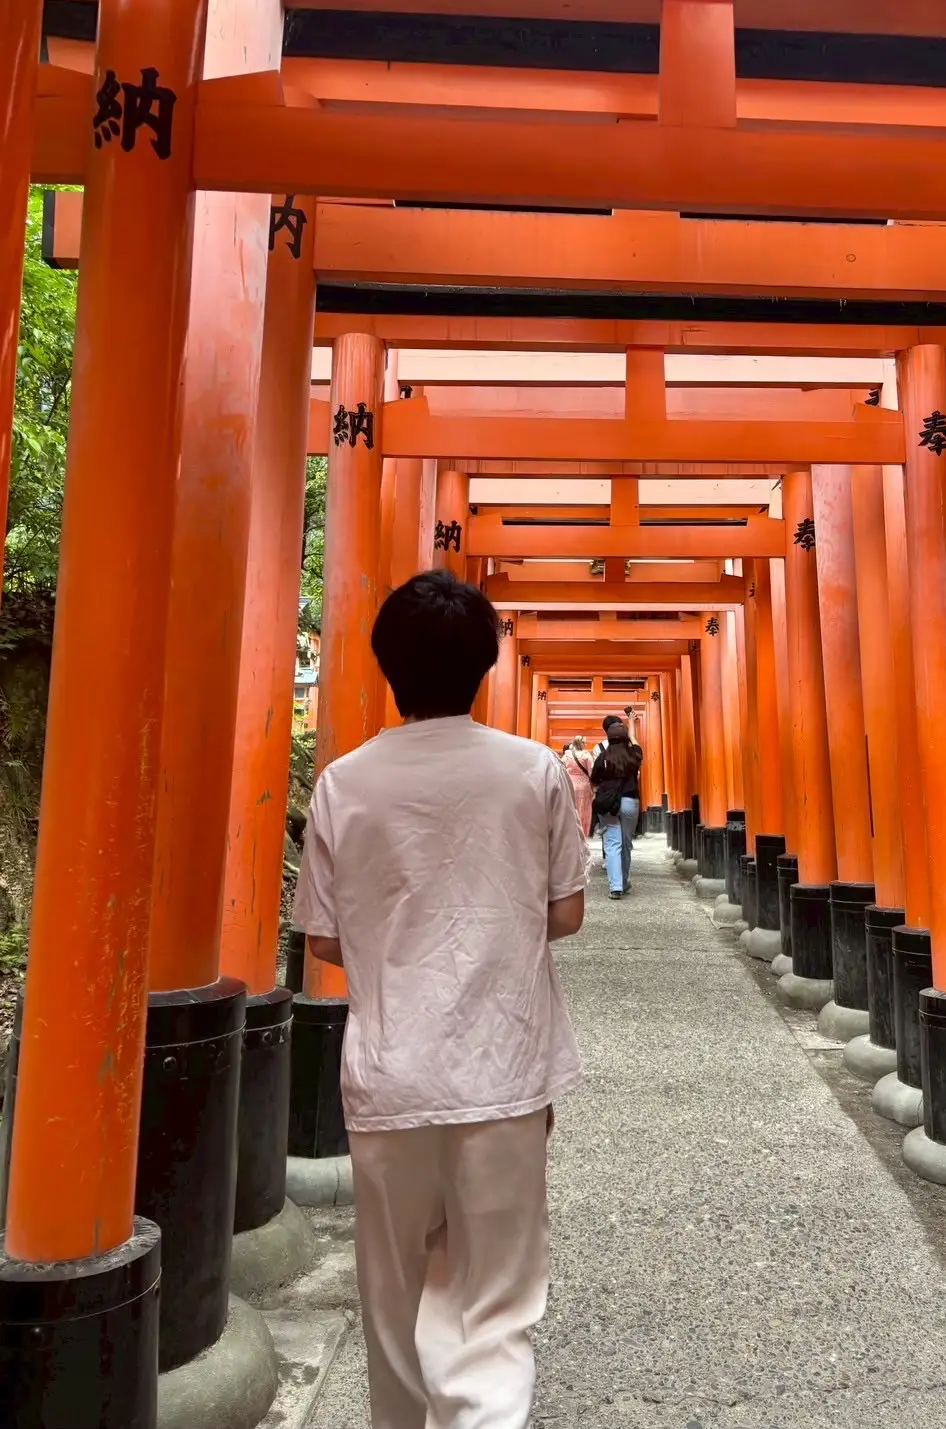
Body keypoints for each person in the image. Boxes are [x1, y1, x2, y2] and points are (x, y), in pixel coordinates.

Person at [292, 569, 589, 1429]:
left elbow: (320, 939)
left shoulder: (345, 782)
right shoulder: (532, 771)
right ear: (486, 664)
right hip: (504, 1067)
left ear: (387, 664)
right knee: (492, 1309)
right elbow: (565, 914)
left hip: (388, 1077)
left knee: (393, 1306)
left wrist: (396, 937)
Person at [590, 719, 643, 900]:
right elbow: (637, 746)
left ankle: (616, 887)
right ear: (624, 737)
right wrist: (631, 734)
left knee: (612, 844)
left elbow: (594, 780)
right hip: (629, 801)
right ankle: (625, 880)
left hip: (608, 804)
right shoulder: (633, 755)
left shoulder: (603, 758)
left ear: (609, 738)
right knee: (626, 844)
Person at [561, 734, 595, 836]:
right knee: (584, 811)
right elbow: (591, 773)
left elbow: (561, 769)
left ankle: (570, 835)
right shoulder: (586, 756)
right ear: (581, 743)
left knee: (570, 810)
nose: (586, 744)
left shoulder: (567, 755)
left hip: (569, 785)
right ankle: (582, 835)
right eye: (585, 742)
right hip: (584, 786)